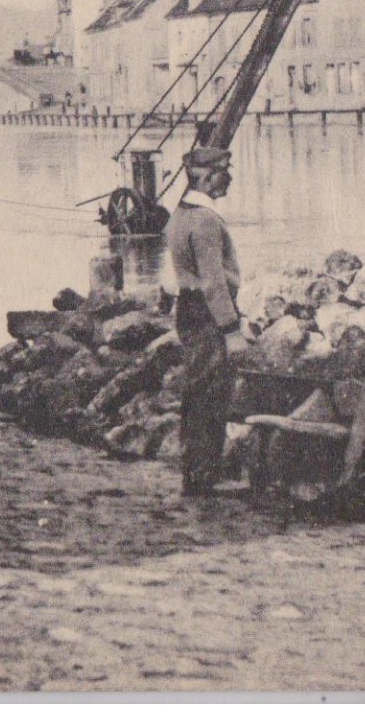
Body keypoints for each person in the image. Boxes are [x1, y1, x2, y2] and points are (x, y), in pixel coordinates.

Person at [163, 145, 253, 495]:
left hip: (189, 308)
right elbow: (214, 284)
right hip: (207, 313)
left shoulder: (180, 214)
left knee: (197, 390)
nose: (227, 177)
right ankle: (203, 478)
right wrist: (231, 331)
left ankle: (197, 473)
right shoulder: (204, 220)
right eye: (222, 171)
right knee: (211, 393)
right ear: (203, 176)